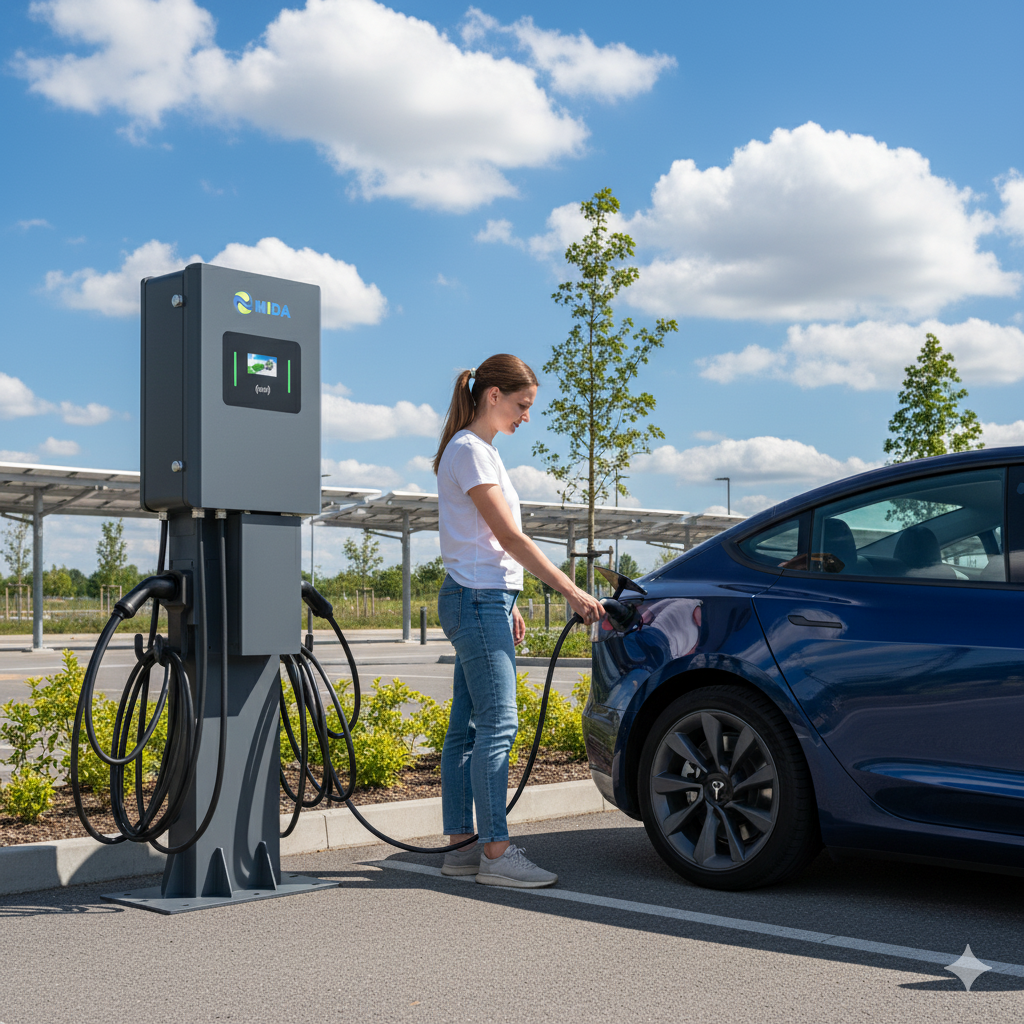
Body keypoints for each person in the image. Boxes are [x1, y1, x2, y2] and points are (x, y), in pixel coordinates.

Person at [433, 354, 604, 889]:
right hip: (476, 599)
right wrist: (570, 589)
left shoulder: (476, 451)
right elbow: (509, 538)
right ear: (493, 396)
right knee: (499, 724)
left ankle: (463, 847)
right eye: (522, 405)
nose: (527, 416)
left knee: (467, 727)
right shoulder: (471, 452)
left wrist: (511, 603)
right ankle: (496, 852)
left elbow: (488, 548)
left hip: (482, 599)